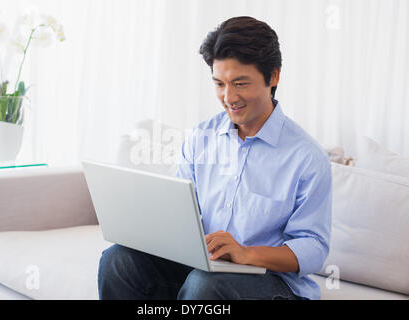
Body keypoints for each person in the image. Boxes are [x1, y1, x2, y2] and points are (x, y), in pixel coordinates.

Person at [98, 16, 332, 300]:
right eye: (219, 83)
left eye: (240, 83)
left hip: (272, 284)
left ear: (273, 76)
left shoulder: (306, 157)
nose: (228, 97)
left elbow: (314, 248)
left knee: (206, 285)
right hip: (205, 271)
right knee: (118, 261)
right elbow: (179, 214)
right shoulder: (200, 138)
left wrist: (247, 254)